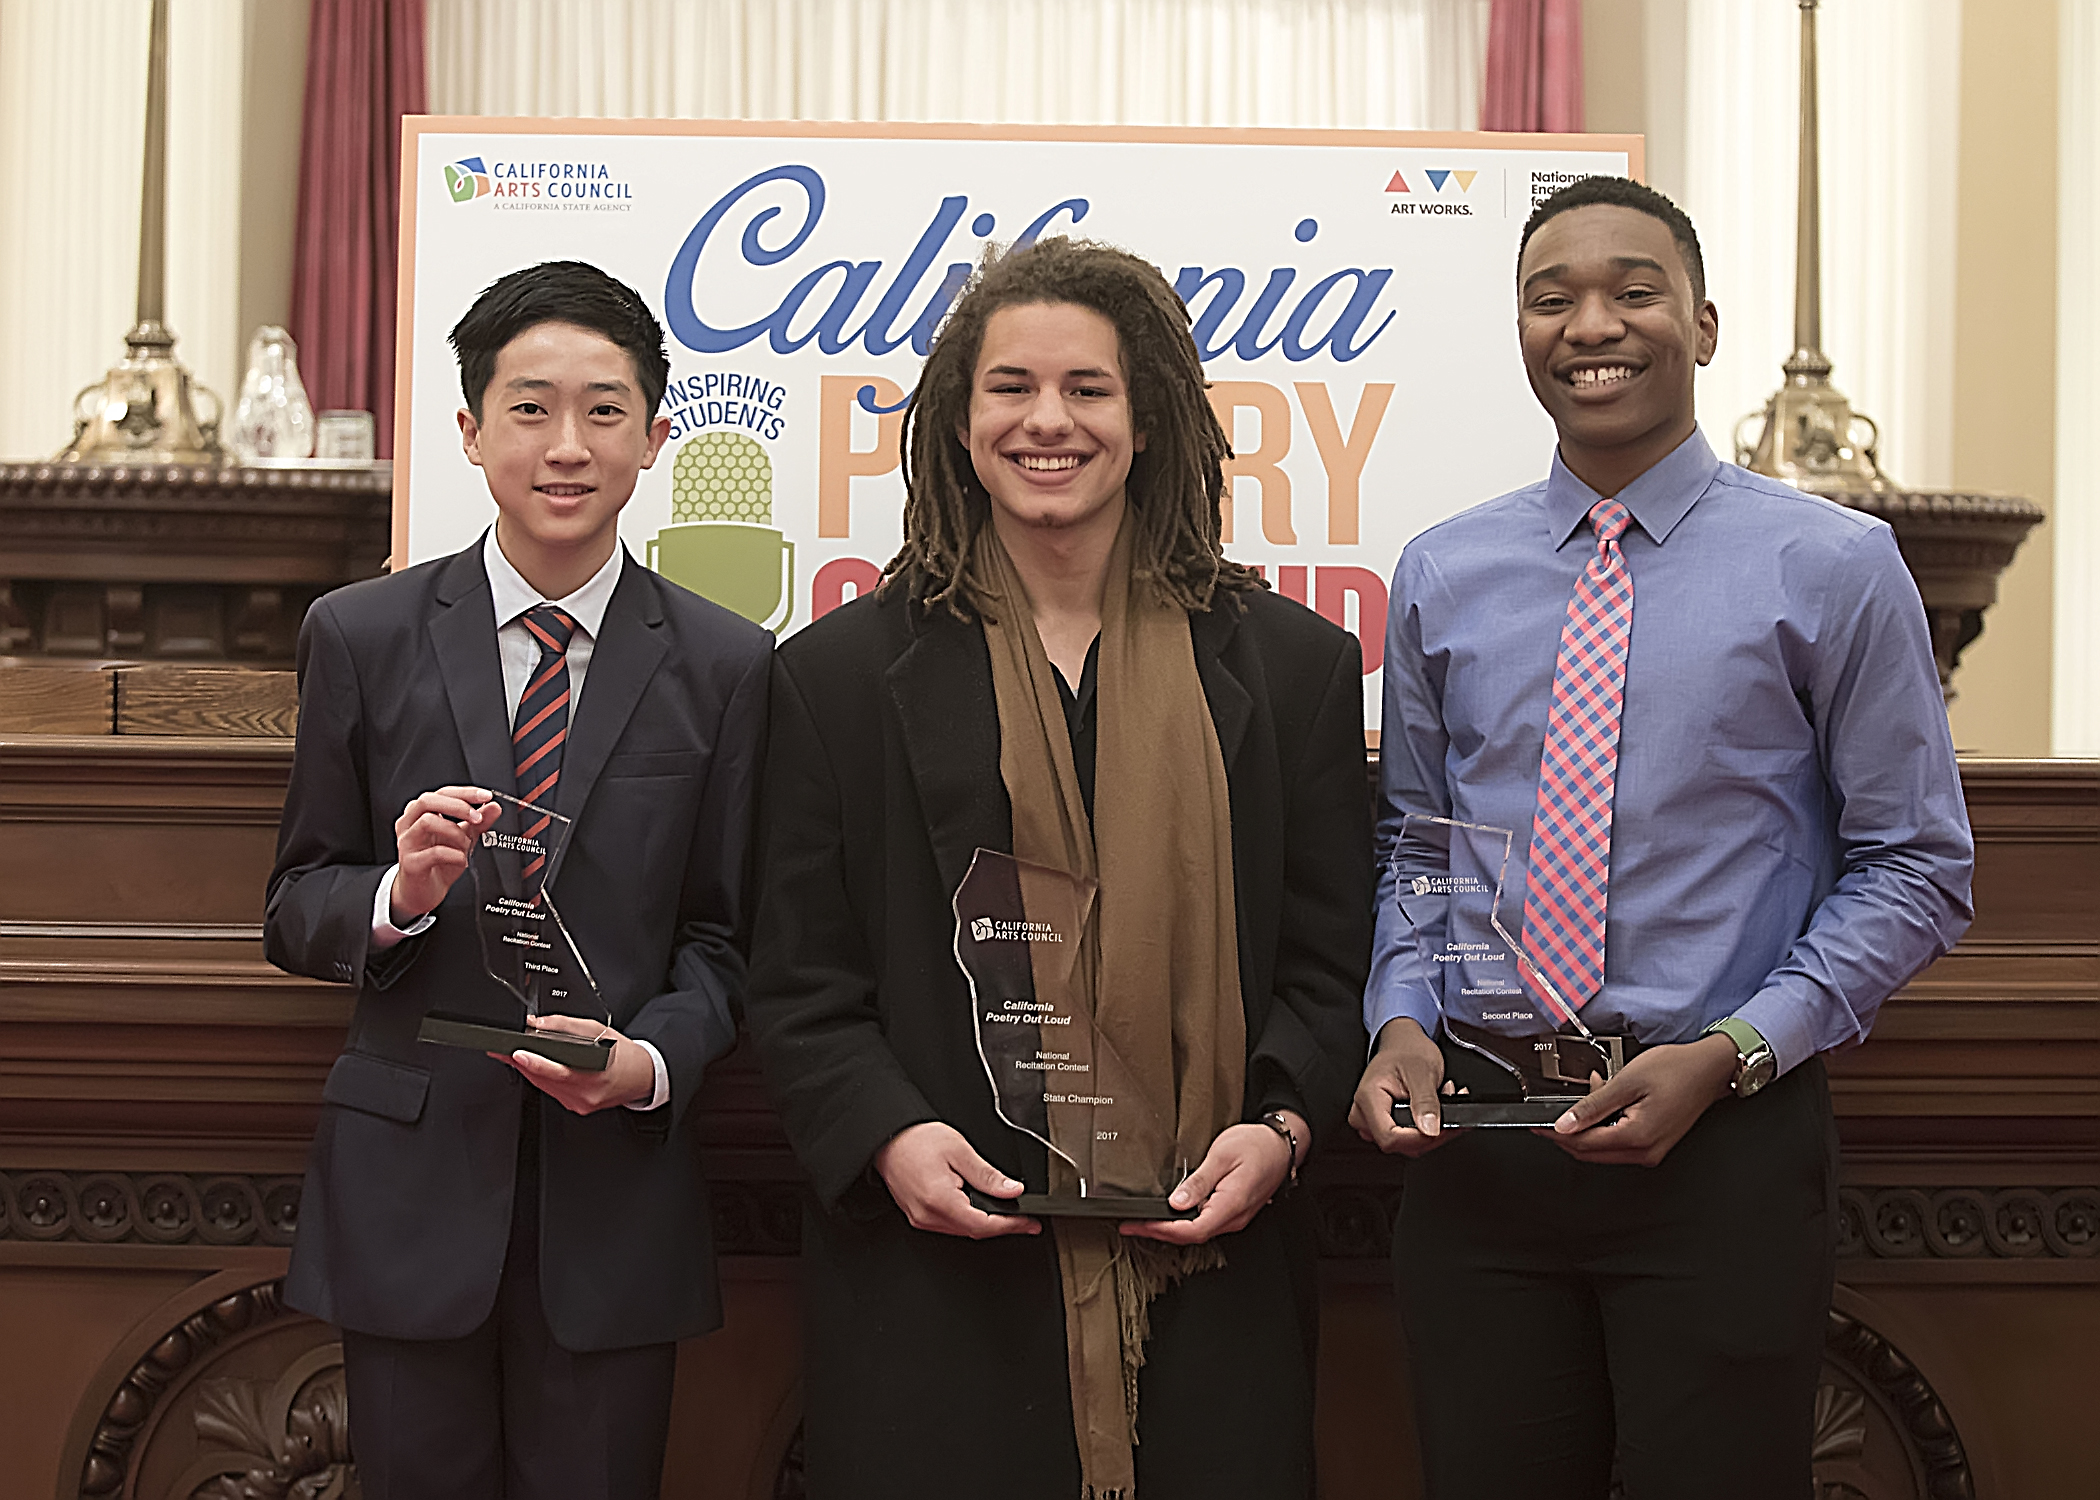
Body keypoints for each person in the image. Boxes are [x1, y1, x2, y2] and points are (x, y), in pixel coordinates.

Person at [1352, 175, 1974, 1498]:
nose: (1591, 324)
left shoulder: (1835, 565)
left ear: (1701, 324)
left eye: (1633, 291)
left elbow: (1917, 865)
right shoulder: (1444, 572)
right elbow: (1418, 842)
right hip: (1483, 1143)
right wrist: (1399, 1020)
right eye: (1549, 297)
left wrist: (1736, 1054)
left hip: (1722, 1144)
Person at [744, 237, 1372, 1499]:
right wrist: (888, 1137)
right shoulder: (836, 680)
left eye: (1088, 388)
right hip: (941, 1269)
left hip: (1216, 1256)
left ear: (1148, 420)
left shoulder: (1291, 670)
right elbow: (800, 977)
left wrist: (1286, 1132)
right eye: (1010, 388)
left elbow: (1329, 959)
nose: (1049, 421)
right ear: (957, 425)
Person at [265, 260, 770, 1500]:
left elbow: (731, 938)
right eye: (530, 407)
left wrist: (649, 1063)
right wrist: (401, 893)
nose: (565, 445)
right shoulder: (360, 634)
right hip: (410, 1191)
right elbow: (295, 902)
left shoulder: (728, 664)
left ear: (655, 438)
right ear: (470, 430)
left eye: (604, 411)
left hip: (617, 1206)